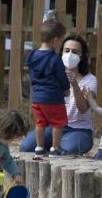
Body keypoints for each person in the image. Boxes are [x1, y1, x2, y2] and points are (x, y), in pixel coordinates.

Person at [19, 34, 97, 155]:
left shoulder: (90, 80)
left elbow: (83, 108)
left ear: (82, 56)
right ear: (61, 53)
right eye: (67, 50)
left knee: (66, 150)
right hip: (52, 127)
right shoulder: (50, 74)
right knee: (26, 147)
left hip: (78, 130)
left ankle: (57, 147)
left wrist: (75, 85)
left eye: (75, 52)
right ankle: (52, 146)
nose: (70, 54)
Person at [26, 19, 72, 159]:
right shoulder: (55, 59)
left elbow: (32, 75)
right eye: (61, 41)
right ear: (55, 40)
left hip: (37, 98)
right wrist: (66, 87)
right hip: (53, 97)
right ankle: (55, 148)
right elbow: (62, 78)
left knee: (40, 123)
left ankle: (39, 148)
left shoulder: (33, 55)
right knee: (58, 122)